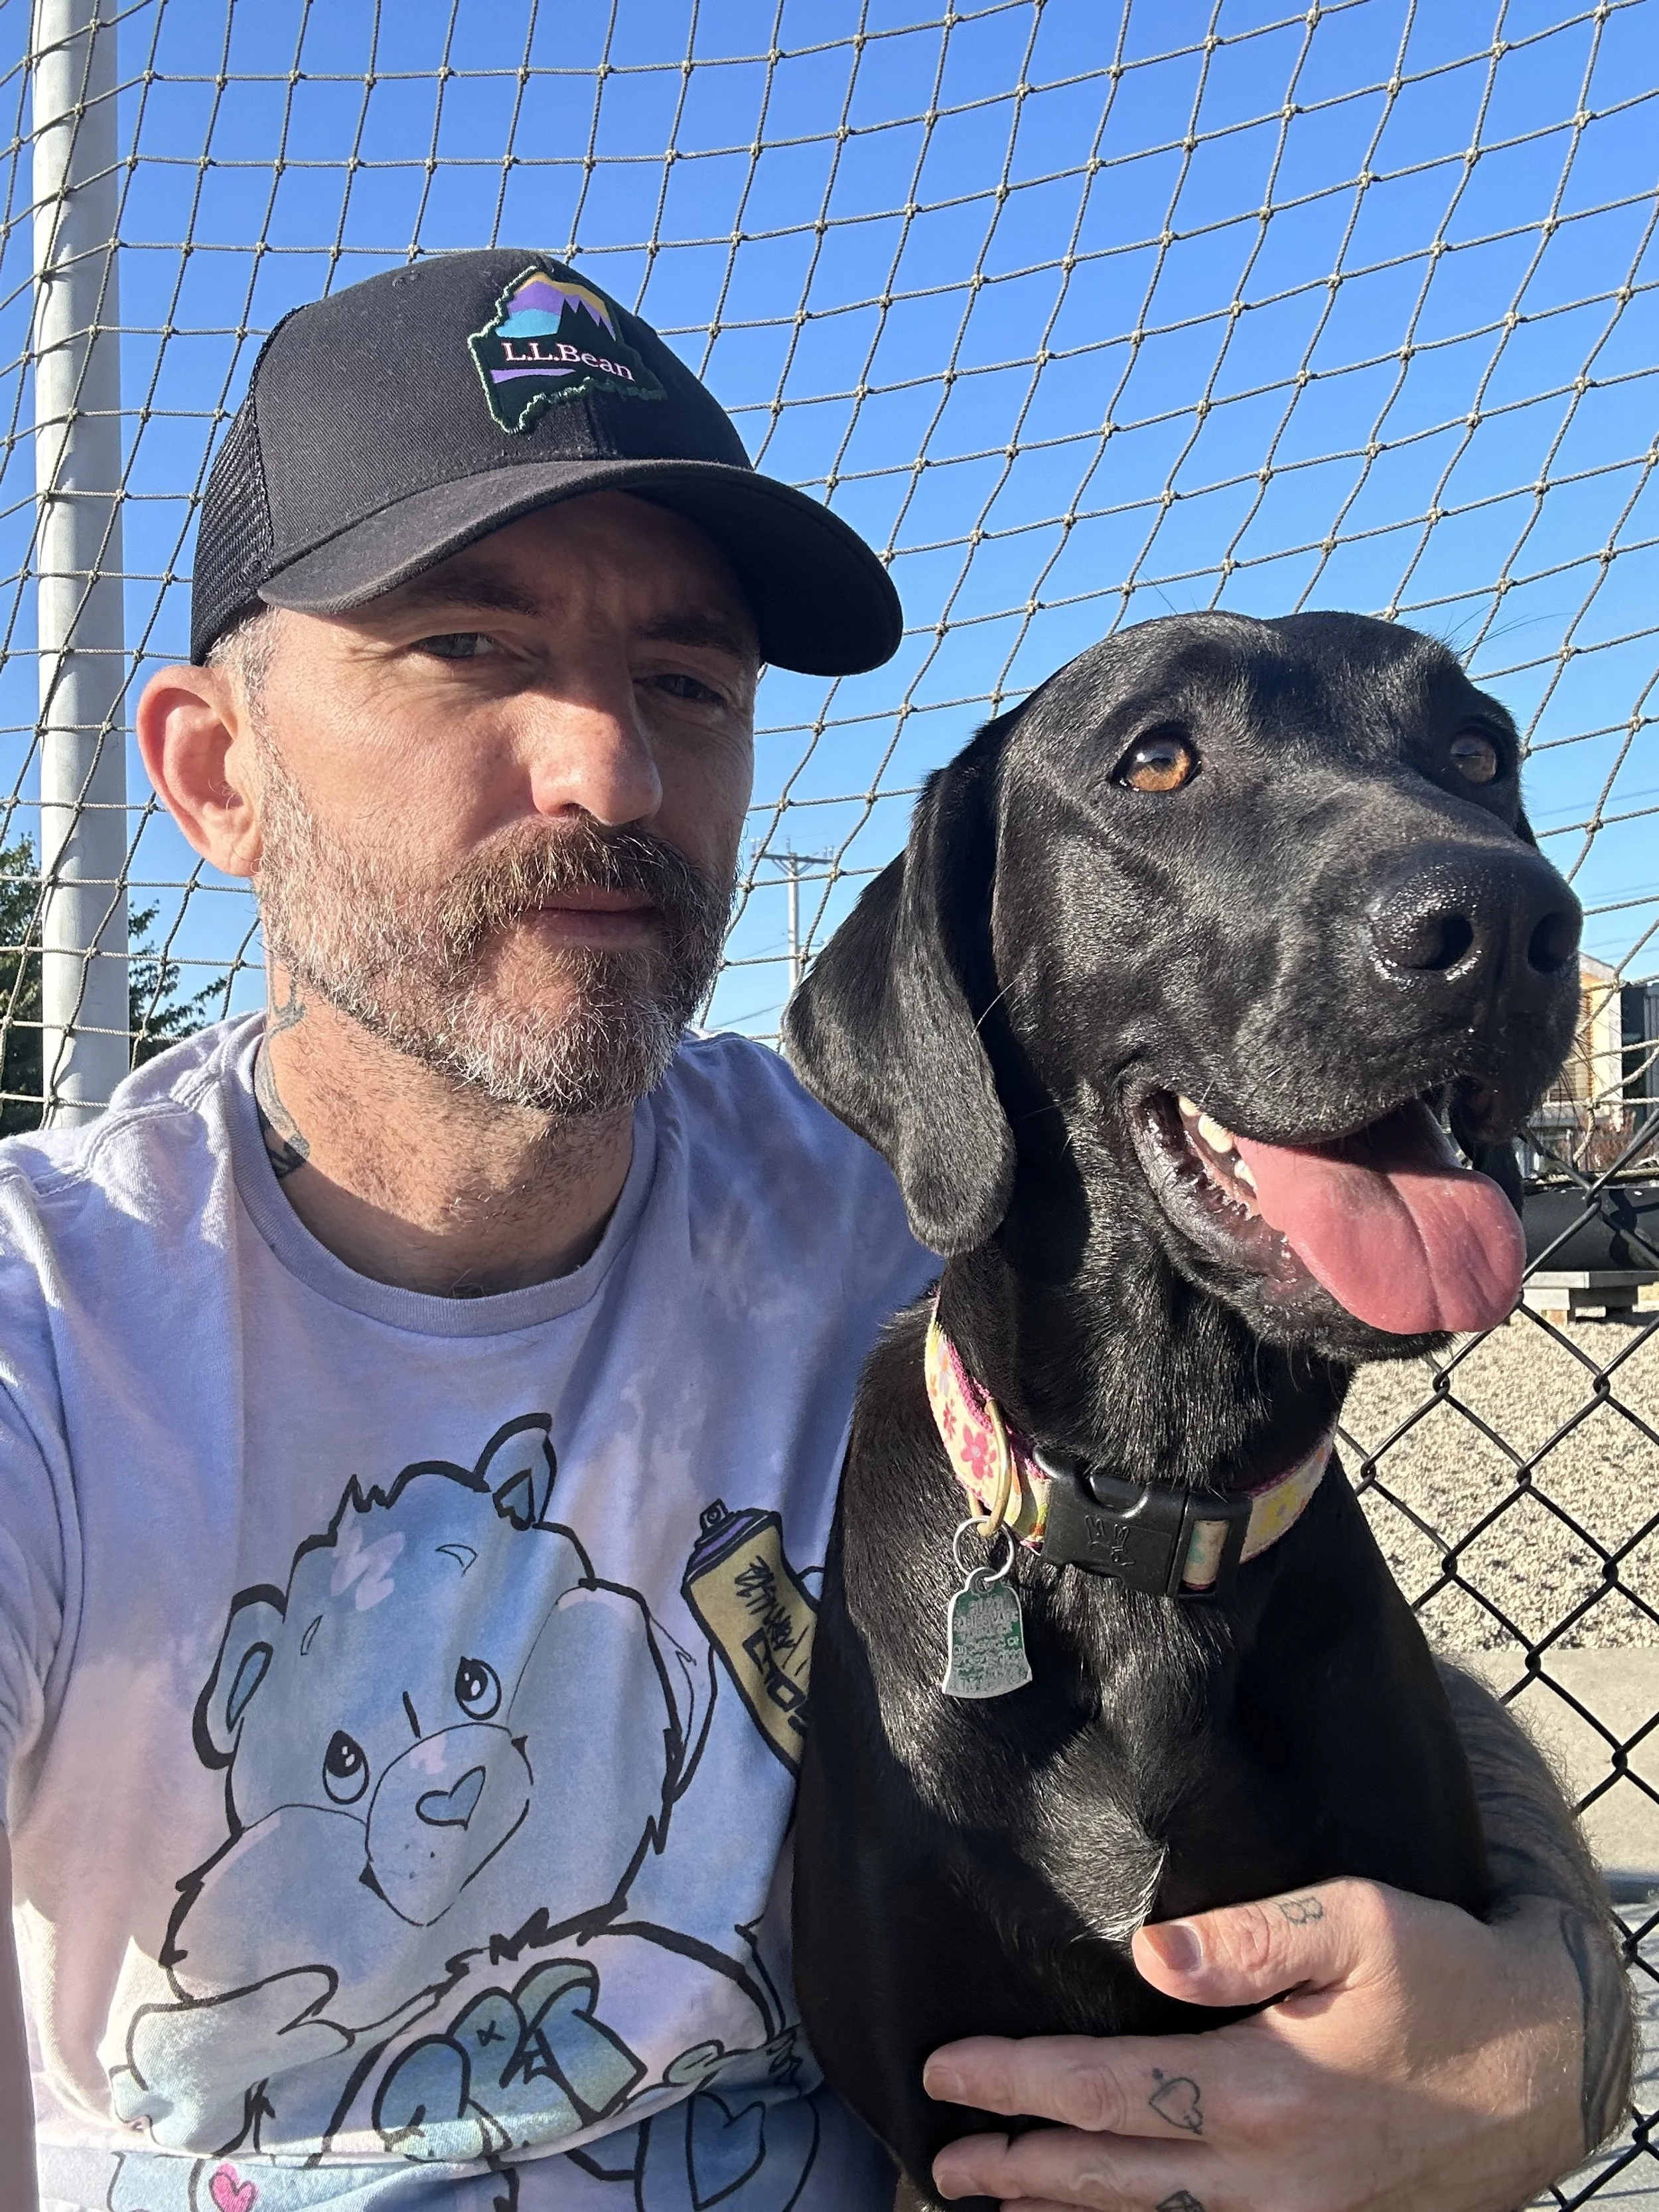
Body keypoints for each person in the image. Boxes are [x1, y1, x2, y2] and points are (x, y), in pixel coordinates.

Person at [0, 250, 1629, 2212]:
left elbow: (1259, 1601)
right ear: (213, 772)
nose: (608, 764)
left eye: (684, 679)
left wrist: (1548, 1995)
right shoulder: (54, 1343)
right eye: (468, 651)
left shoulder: (913, 1208)